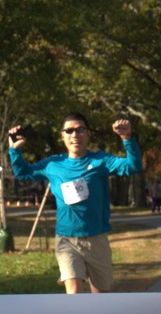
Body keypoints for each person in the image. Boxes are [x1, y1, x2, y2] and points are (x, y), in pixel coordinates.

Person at [8, 114, 142, 292]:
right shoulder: (53, 164)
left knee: (102, 297)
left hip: (96, 238)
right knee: (74, 294)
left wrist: (127, 138)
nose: (75, 135)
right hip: (66, 239)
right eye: (69, 130)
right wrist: (15, 150)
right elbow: (23, 173)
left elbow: (133, 166)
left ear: (88, 134)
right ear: (62, 135)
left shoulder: (100, 161)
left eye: (80, 130)